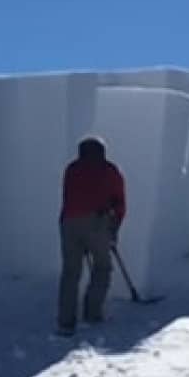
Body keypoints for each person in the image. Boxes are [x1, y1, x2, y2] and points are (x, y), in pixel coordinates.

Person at [57, 136, 126, 336]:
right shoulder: (109, 170)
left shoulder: (72, 169)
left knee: (71, 272)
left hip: (69, 222)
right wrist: (114, 228)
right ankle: (92, 312)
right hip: (97, 221)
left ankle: (66, 320)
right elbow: (119, 202)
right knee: (102, 267)